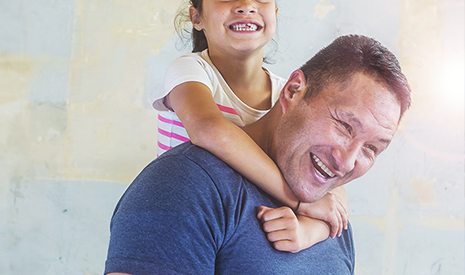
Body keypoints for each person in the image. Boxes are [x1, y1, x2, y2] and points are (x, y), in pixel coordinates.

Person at [105, 34, 412, 275]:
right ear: (292, 91)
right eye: (344, 126)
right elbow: (208, 127)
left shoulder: (329, 219)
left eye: (371, 148)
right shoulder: (186, 186)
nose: (345, 162)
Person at [153, 0, 347, 248]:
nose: (246, 5)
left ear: (275, 14)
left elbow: (333, 191)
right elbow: (209, 130)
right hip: (181, 227)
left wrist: (306, 232)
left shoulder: (289, 95)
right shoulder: (189, 72)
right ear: (197, 16)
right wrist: (297, 201)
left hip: (243, 238)